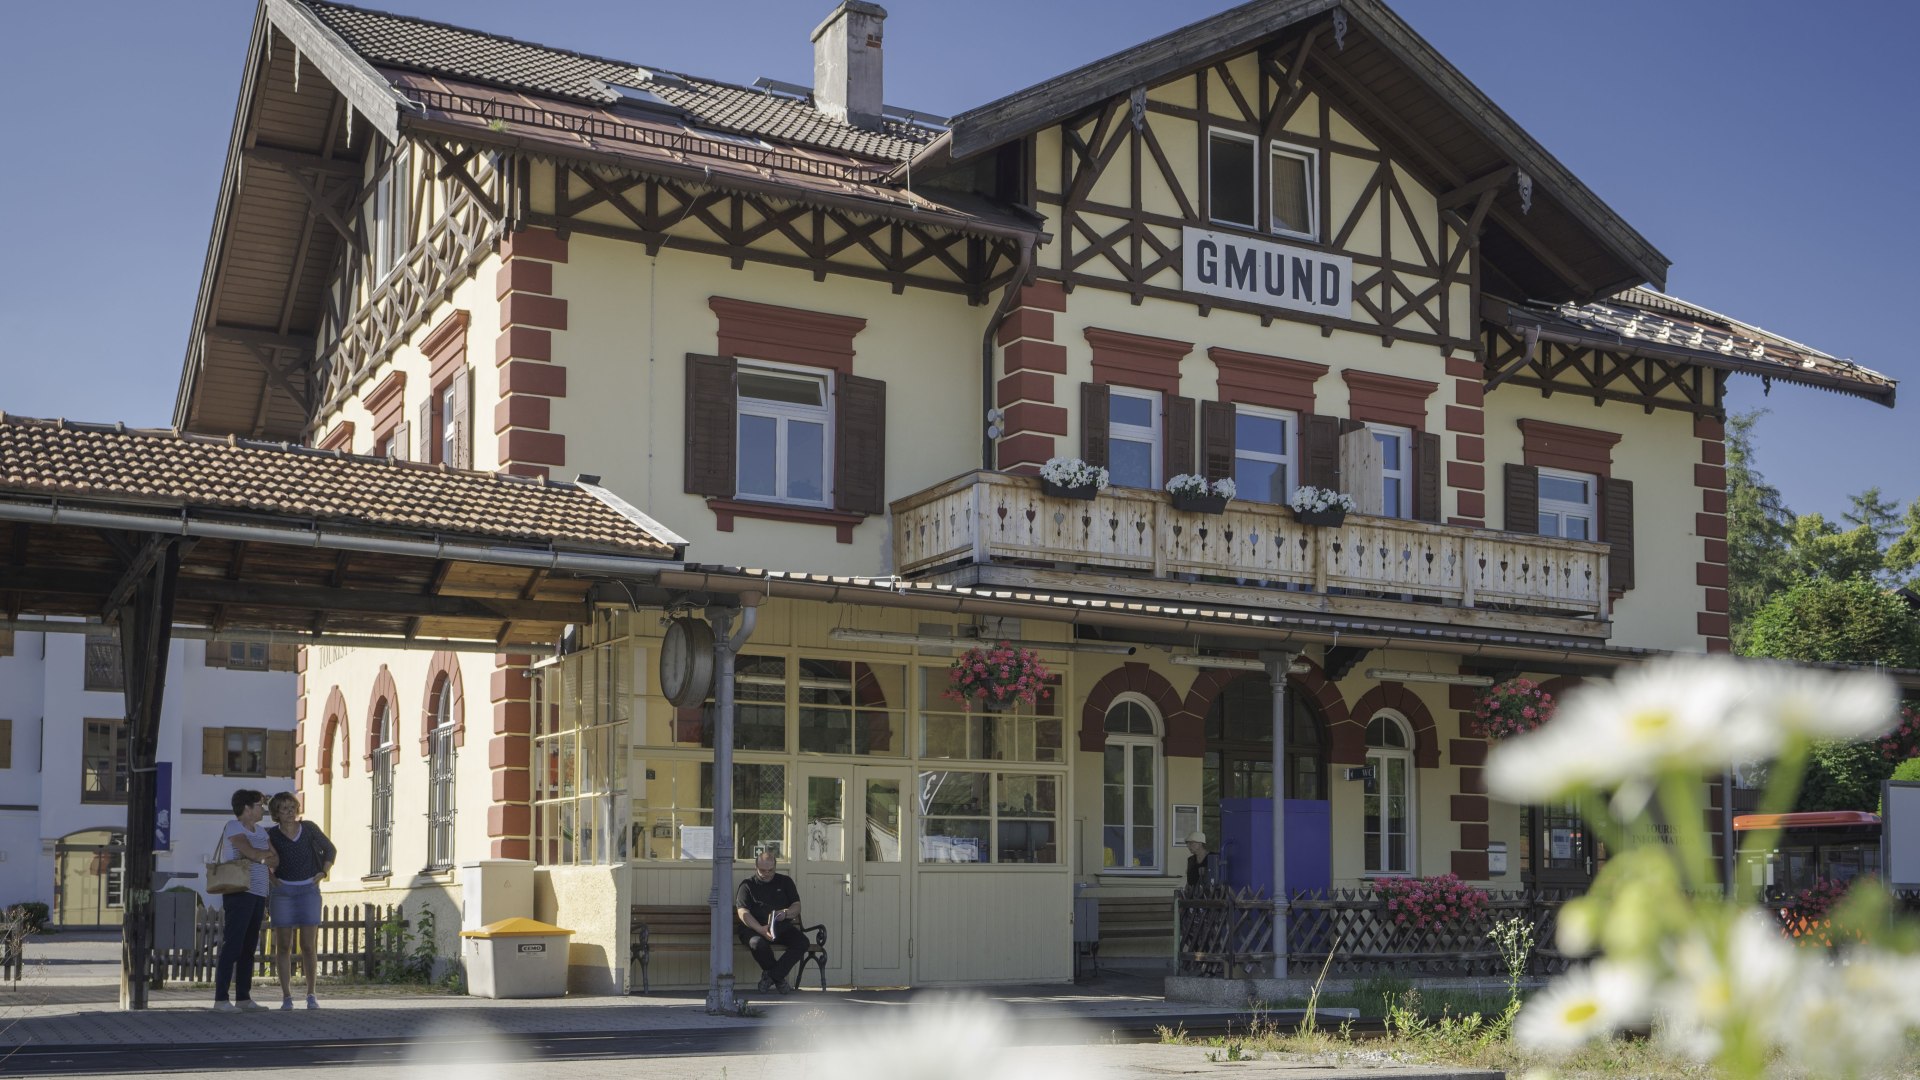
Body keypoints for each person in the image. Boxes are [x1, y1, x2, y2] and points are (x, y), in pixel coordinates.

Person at [266, 791, 336, 1010]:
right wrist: (270, 877)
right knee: (283, 945)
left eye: (292, 807)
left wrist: (323, 873)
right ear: (276, 813)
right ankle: (287, 996)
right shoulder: (271, 834)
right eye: (284, 808)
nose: (289, 812)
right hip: (282, 892)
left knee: (308, 945)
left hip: (308, 890)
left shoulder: (309, 828)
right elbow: (260, 857)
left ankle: (311, 994)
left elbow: (330, 849)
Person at [213, 789, 276, 1010]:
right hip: (239, 891)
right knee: (233, 945)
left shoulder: (261, 831)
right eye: (260, 805)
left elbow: (274, 859)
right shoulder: (233, 826)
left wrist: (263, 857)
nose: (263, 809)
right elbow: (251, 852)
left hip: (259, 892)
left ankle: (243, 997)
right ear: (247, 808)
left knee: (249, 947)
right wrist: (262, 856)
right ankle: (221, 999)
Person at [733, 850, 807, 993]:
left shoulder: (785, 882)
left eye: (770, 870)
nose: (767, 873)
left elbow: (797, 906)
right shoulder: (747, 885)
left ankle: (772, 976)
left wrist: (785, 913)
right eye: (762, 870)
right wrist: (760, 929)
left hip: (780, 926)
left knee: (802, 942)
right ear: (756, 867)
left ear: (775, 867)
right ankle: (779, 979)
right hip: (754, 928)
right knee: (757, 944)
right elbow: (743, 912)